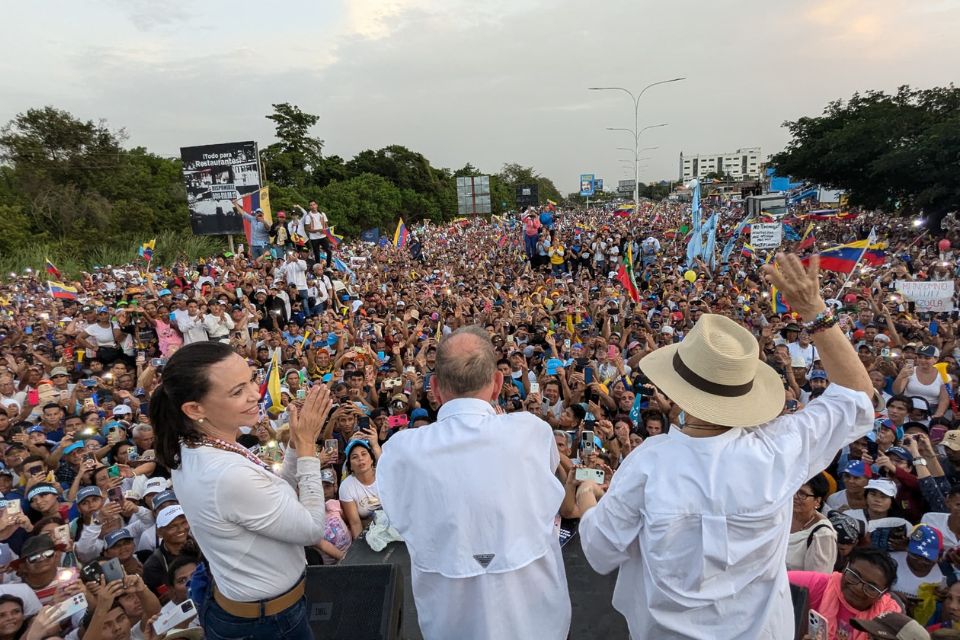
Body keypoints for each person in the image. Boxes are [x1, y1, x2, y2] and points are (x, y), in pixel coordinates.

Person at [572, 253, 875, 639]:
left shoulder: (649, 463)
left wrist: (586, 495)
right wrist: (815, 310)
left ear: (674, 393)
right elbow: (859, 395)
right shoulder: (780, 448)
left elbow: (599, 552)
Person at [378, 326, 570, 640]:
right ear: (497, 384)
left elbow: (400, 515)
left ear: (435, 389)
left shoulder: (402, 451)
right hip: (540, 626)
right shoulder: (531, 431)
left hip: (452, 628)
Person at [150, 341, 335, 639]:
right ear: (195, 408)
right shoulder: (225, 474)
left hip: (247, 607)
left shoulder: (196, 442)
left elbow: (274, 495)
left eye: (251, 379)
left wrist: (291, 448)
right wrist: (307, 447)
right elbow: (312, 529)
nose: (255, 393)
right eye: (237, 391)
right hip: (268, 624)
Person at [789, 548, 902, 640]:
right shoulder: (819, 584)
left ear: (883, 594)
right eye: (854, 575)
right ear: (845, 568)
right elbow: (776, 584)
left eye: (871, 587)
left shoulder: (888, 616)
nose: (858, 588)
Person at [787, 473, 837, 573]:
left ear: (817, 501)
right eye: (794, 490)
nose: (795, 497)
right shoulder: (783, 515)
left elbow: (817, 579)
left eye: (802, 494)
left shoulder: (823, 535)